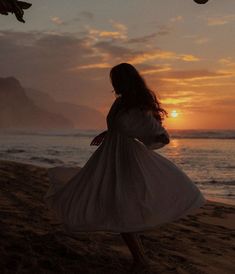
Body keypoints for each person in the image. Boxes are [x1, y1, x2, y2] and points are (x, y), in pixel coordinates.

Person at [44, 63, 206, 273]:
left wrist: (159, 135)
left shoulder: (137, 106)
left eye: (116, 80)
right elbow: (118, 125)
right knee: (113, 203)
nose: (113, 84)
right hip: (111, 156)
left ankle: (140, 259)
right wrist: (108, 133)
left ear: (124, 81)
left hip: (126, 159)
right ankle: (140, 257)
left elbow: (150, 130)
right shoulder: (120, 103)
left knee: (121, 206)